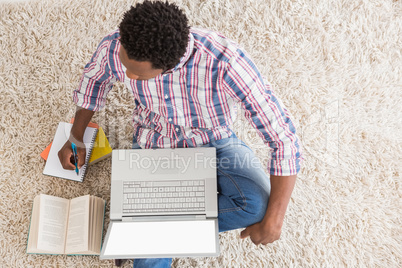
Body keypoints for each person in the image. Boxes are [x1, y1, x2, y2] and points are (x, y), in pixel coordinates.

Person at [58, 1, 302, 267]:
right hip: (153, 142)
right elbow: (94, 82)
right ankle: (146, 235)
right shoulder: (115, 45)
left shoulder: (226, 62)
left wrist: (275, 221)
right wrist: (76, 136)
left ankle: (140, 232)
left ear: (168, 66)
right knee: (149, 261)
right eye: (125, 65)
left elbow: (283, 138)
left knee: (259, 206)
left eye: (138, 75)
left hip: (213, 140)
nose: (126, 75)